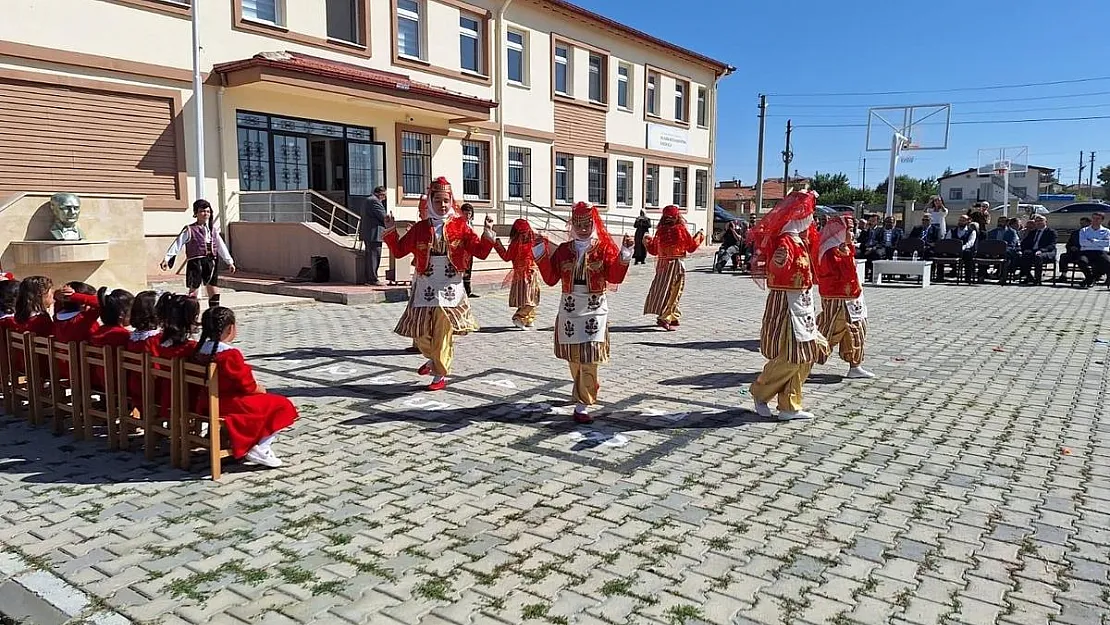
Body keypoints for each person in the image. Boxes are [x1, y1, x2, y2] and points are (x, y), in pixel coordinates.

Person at [383, 177, 495, 391]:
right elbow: (399, 251)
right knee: (420, 332)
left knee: (443, 330)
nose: (442, 205)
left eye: (446, 200)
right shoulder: (420, 228)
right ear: (430, 203)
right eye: (437, 201)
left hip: (450, 284)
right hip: (425, 284)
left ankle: (439, 374)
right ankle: (433, 360)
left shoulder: (460, 226)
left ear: (451, 201)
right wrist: (390, 230)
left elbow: (479, 252)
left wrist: (488, 232)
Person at [535, 201, 633, 424]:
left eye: (587, 224)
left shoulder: (603, 248)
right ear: (572, 225)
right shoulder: (563, 250)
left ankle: (583, 403)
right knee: (574, 357)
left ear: (594, 223)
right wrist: (539, 252)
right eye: (578, 224)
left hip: (594, 309)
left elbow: (615, 277)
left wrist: (625, 253)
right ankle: (586, 384)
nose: (582, 229)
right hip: (570, 309)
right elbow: (551, 279)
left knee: (589, 355)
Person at [747, 190, 829, 421]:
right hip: (786, 304)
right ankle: (761, 392)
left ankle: (789, 405)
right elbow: (777, 267)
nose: (811, 220)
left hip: (801, 304)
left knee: (806, 354)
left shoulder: (798, 240)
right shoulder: (785, 240)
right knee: (794, 354)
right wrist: (779, 261)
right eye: (809, 215)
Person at [194, 306, 299, 468]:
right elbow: (247, 386)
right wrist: (261, 389)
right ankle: (261, 448)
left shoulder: (199, 351)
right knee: (282, 405)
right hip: (229, 404)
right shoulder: (229, 355)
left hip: (205, 402)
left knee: (267, 402)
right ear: (231, 328)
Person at [815, 214, 873, 379]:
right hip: (837, 298)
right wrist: (846, 255)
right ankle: (806, 359)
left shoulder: (842, 247)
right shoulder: (830, 250)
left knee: (856, 330)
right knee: (830, 330)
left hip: (851, 298)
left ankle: (855, 365)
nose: (854, 234)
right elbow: (842, 273)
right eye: (851, 230)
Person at [160, 199, 236, 309]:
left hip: (211, 262)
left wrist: (229, 262)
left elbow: (221, 246)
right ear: (196, 213)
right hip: (196, 262)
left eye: (208, 211)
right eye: (202, 211)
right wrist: (167, 259)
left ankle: (214, 312)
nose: (205, 214)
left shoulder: (213, 230)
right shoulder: (189, 229)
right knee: (194, 289)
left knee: (213, 287)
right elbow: (177, 244)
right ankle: (191, 315)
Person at [642, 205, 705, 331]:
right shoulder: (680, 229)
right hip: (676, 264)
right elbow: (691, 247)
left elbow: (653, 250)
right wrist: (700, 235)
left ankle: (673, 316)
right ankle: (665, 317)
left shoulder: (661, 231)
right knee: (675, 291)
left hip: (662, 265)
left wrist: (646, 240)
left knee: (662, 290)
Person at [492, 219, 542, 330]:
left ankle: (528, 318)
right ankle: (519, 317)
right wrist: (497, 244)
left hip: (532, 273)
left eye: (526, 232)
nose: (525, 235)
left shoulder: (533, 241)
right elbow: (507, 256)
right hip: (522, 275)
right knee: (529, 299)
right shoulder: (516, 244)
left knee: (530, 297)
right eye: (522, 233)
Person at [125, 291, 162, 411]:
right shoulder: (154, 340)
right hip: (154, 390)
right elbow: (156, 370)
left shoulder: (132, 338)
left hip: (136, 387)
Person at [358, 186, 388, 286]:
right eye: (384, 195)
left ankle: (369, 278)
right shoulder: (375, 201)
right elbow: (383, 217)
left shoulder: (367, 200)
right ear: (381, 194)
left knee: (370, 256)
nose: (385, 198)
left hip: (369, 233)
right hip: (374, 233)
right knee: (374, 256)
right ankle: (373, 279)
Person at [1017, 215, 1057, 285]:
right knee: (1023, 256)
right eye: (1037, 221)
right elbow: (1025, 243)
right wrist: (1021, 250)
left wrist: (1041, 250)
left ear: (1045, 222)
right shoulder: (1033, 232)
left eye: (1041, 221)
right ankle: (1029, 278)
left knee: (1038, 257)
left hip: (1047, 252)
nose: (1038, 222)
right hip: (1033, 251)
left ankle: (1038, 279)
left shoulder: (1051, 232)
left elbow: (1051, 245)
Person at [940, 214, 977, 282]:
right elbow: (948, 241)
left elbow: (970, 243)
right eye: (960, 220)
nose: (961, 222)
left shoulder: (972, 232)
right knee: (940, 254)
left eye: (963, 220)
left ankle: (967, 278)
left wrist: (962, 248)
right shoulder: (952, 230)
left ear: (967, 222)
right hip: (952, 250)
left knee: (968, 254)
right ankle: (939, 277)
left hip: (964, 251)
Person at [1078, 211, 1110, 288]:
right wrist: (1099, 242)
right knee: (1081, 261)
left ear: (1102, 220)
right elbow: (1082, 243)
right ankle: (1090, 278)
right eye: (1094, 218)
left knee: (1107, 262)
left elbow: (1106, 243)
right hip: (1086, 252)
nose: (1095, 220)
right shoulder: (1084, 230)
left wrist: (1093, 241)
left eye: (1098, 219)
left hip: (1100, 252)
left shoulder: (1106, 231)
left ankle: (1091, 279)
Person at [1058, 217, 1092, 283]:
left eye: (1084, 224)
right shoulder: (1075, 233)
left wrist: (1079, 248)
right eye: (1081, 224)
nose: (1082, 225)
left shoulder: (1092, 233)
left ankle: (1089, 277)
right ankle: (1063, 275)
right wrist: (1071, 247)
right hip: (1074, 253)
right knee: (1063, 256)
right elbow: (1068, 244)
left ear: (1089, 224)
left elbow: (1091, 245)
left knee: (1082, 260)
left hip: (1085, 254)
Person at [459, 203, 481, 298]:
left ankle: (468, 291)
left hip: (469, 252)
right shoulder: (459, 224)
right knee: (461, 271)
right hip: (461, 252)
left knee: (468, 271)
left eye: (469, 213)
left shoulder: (470, 224)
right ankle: (460, 291)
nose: (468, 215)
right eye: (466, 213)